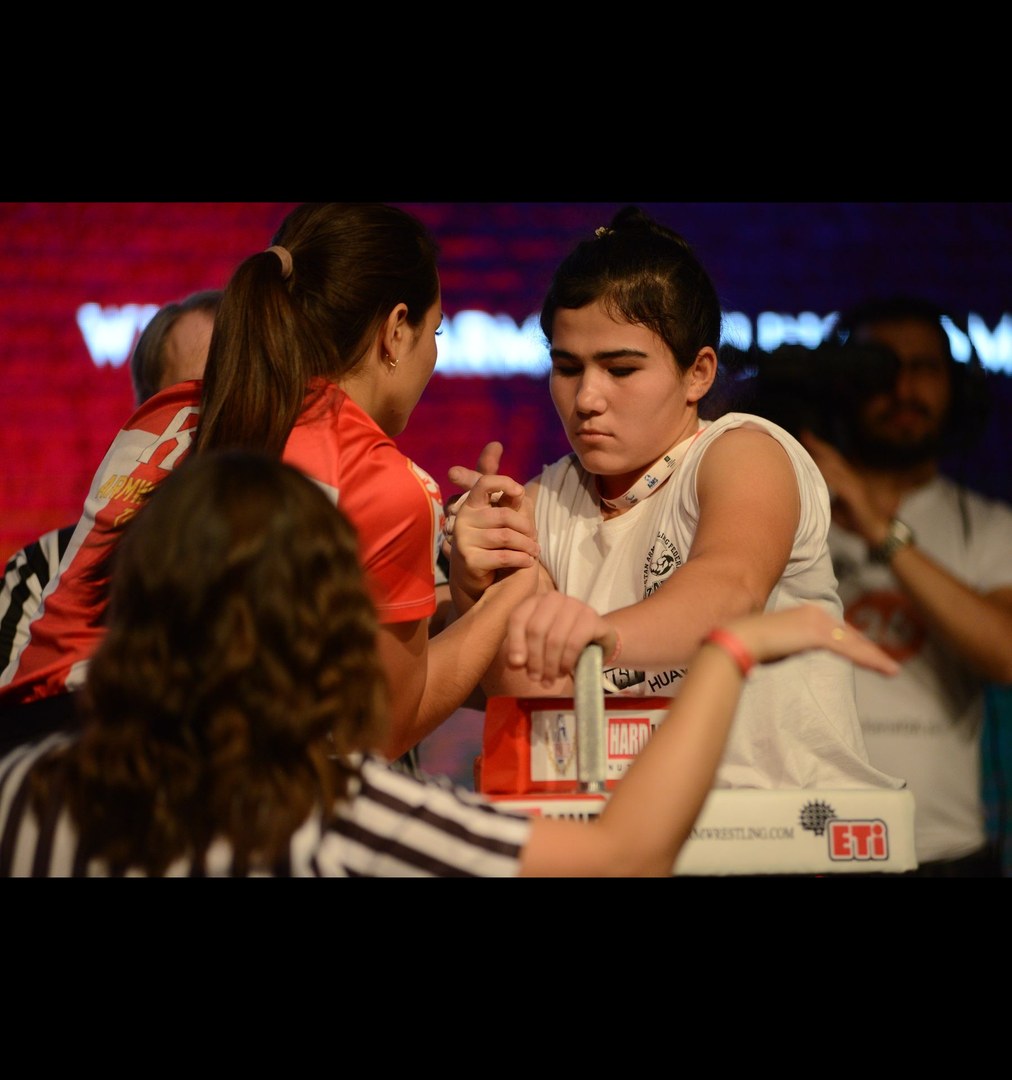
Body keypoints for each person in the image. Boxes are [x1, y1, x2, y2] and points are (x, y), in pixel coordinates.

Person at [0, 448, 900, 877]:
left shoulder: (23, 788)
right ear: (320, 629)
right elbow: (627, 855)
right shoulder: (332, 815)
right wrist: (731, 652)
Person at [0, 204, 534, 765]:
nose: (434, 352)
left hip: (21, 765)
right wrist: (511, 592)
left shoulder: (162, 416)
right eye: (437, 330)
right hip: (149, 785)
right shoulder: (386, 479)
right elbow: (379, 734)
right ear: (396, 331)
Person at [447, 205, 903, 793]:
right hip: (629, 837)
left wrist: (593, 635)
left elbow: (730, 588)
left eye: (620, 369)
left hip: (783, 829)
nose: (587, 397)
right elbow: (533, 701)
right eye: (567, 367)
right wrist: (472, 583)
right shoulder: (541, 501)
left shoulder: (742, 452)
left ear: (699, 373)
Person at [795, 296, 1012, 875]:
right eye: (881, 367)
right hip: (804, 837)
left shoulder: (987, 525)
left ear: (954, 386)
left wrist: (878, 529)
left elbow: (1007, 654)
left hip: (945, 849)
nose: (903, 387)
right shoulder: (790, 520)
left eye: (924, 369)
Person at [0, 290, 222, 741]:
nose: (221, 424)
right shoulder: (44, 569)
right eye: (195, 401)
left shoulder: (307, 568)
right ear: (147, 421)